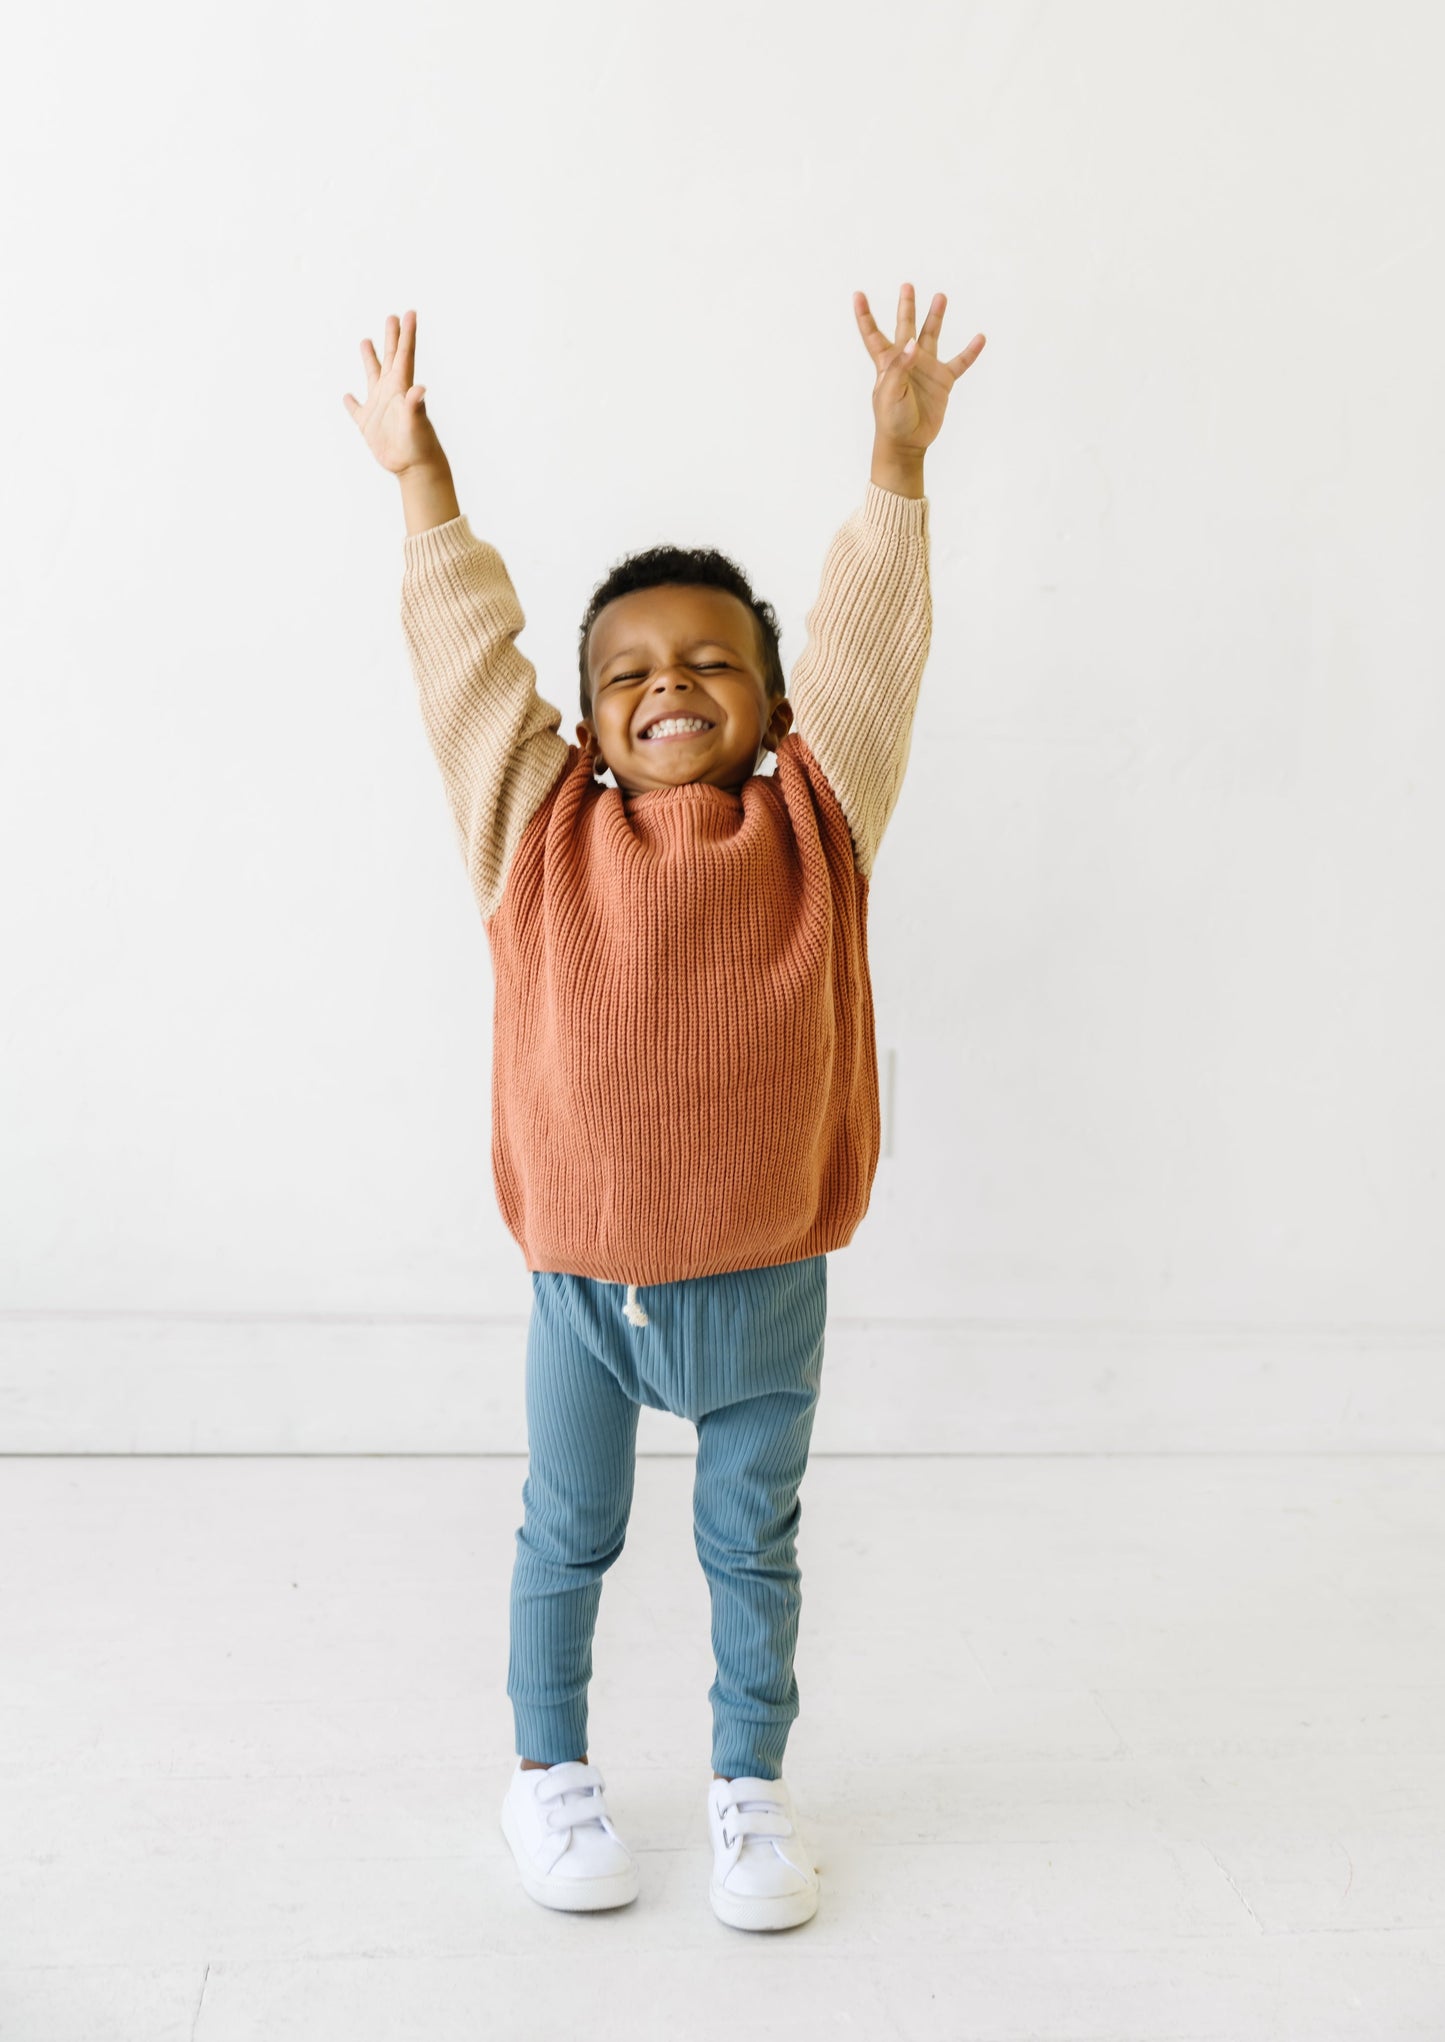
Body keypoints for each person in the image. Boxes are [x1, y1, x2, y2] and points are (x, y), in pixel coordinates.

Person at [344, 287, 985, 1932]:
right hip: (585, 1292)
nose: (671, 680)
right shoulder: (533, 826)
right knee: (566, 1536)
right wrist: (426, 489)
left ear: (772, 713)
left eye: (713, 659)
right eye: (628, 668)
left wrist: (893, 468)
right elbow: (461, 666)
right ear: (584, 716)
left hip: (769, 1286)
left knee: (748, 1552)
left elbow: (863, 654)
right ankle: (546, 1771)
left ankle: (748, 1789)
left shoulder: (815, 827)